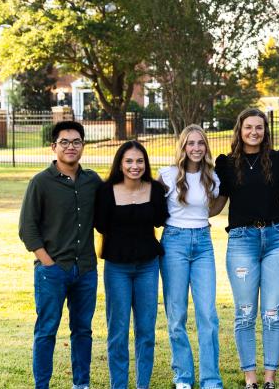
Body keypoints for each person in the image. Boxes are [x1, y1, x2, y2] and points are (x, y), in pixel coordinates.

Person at [213, 108, 279, 389]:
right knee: (245, 312)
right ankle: (250, 378)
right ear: (240, 129)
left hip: (276, 239)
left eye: (259, 127)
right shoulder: (226, 164)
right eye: (248, 127)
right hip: (242, 241)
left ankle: (270, 378)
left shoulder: (277, 160)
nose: (254, 132)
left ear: (265, 130)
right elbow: (218, 203)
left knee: (272, 313)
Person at [19, 121, 102, 389]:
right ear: (53, 147)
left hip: (86, 270)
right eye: (64, 142)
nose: (70, 147)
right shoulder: (41, 182)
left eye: (76, 142)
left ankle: (81, 384)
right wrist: (48, 264)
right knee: (46, 331)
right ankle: (41, 385)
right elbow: (27, 228)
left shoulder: (92, 181)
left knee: (83, 332)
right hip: (52, 271)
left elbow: (108, 218)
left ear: (83, 146)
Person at [94, 141, 169, 389]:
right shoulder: (106, 191)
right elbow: (101, 226)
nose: (134, 166)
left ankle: (143, 385)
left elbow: (161, 220)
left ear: (145, 164)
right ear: (120, 163)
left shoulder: (156, 190)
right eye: (128, 161)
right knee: (117, 332)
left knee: (146, 332)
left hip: (148, 267)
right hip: (117, 269)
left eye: (139, 161)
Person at [158, 125, 222, 389]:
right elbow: (154, 208)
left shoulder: (212, 178)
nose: (196, 148)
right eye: (190, 143)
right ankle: (182, 377)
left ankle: (210, 379)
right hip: (174, 243)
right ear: (182, 147)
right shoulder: (168, 175)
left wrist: (200, 220)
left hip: (203, 244)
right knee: (177, 314)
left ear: (206, 147)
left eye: (200, 143)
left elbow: (216, 205)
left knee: (207, 314)